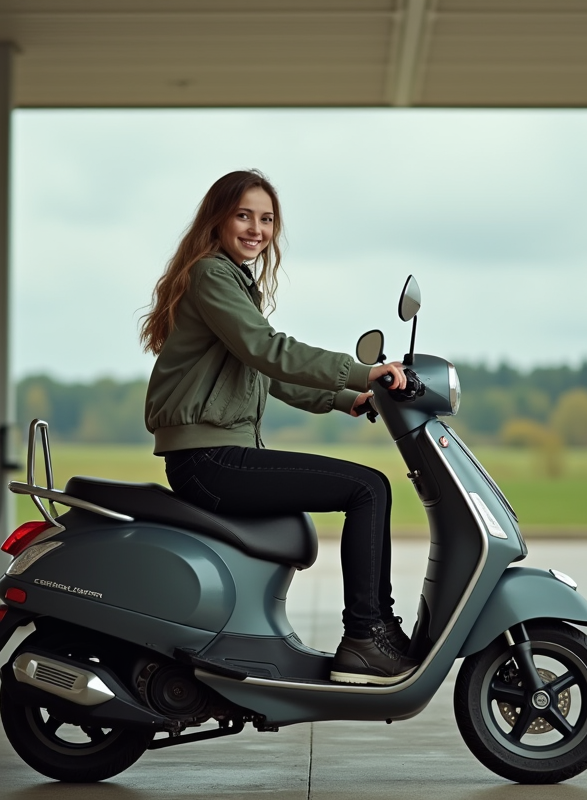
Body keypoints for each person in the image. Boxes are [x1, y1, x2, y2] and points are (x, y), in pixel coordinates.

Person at [140, 169, 417, 685]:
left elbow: (263, 374)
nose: (256, 229)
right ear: (217, 219)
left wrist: (347, 397)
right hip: (210, 460)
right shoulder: (212, 276)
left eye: (266, 219)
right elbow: (267, 350)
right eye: (244, 215)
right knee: (368, 488)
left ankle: (371, 634)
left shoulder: (228, 281)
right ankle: (366, 636)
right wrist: (363, 370)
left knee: (365, 488)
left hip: (216, 456)